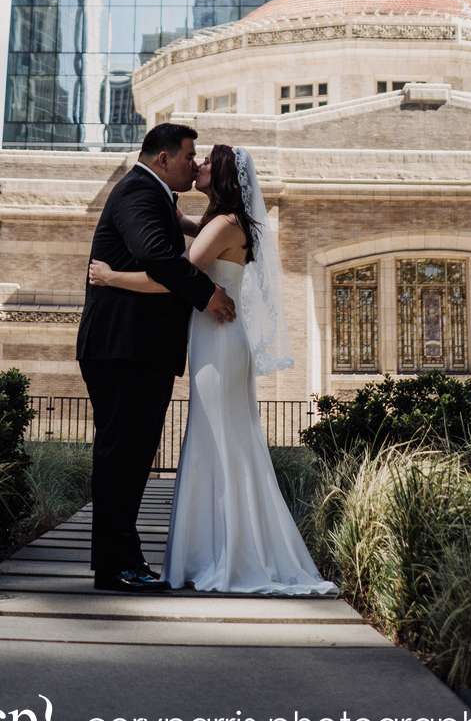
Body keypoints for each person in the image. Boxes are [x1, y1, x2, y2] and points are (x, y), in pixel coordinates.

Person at [89, 142, 337, 597]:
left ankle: (226, 553)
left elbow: (172, 276)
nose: (197, 164)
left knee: (218, 441)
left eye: (206, 162)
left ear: (220, 176)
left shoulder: (223, 224)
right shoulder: (223, 221)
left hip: (219, 342)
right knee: (219, 439)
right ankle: (218, 548)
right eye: (193, 156)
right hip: (218, 341)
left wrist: (112, 277)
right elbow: (182, 228)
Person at [76, 122, 237, 593]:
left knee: (130, 455)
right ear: (163, 158)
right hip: (123, 348)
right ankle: (115, 566)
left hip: (137, 350)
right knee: (121, 457)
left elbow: (172, 238)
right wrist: (206, 295)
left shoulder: (157, 196)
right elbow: (158, 256)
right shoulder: (139, 194)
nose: (194, 163)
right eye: (189, 155)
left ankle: (123, 558)